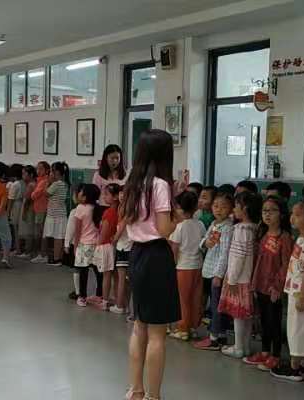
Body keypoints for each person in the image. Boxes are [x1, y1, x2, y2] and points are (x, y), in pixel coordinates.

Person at [122, 129, 179, 400]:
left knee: (139, 327)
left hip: (136, 254)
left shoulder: (132, 183)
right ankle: (153, 396)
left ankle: (136, 390)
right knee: (157, 334)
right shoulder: (160, 185)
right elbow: (165, 229)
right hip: (156, 256)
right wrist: (178, 216)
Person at [272, 200, 304, 381]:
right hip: (294, 291)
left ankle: (295, 366)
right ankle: (300, 363)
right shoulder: (301, 238)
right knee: (295, 328)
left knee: (299, 329)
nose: (293, 218)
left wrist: (302, 295)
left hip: (302, 293)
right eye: (292, 214)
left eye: (298, 215)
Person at [245, 196, 293, 371]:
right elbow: (259, 262)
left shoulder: (284, 237)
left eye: (272, 210)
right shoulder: (263, 234)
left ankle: (276, 355)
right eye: (265, 210)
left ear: (281, 214)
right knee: (264, 321)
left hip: (274, 288)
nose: (267, 214)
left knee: (274, 322)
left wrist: (278, 286)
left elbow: (286, 264)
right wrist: (254, 283)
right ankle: (265, 352)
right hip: (260, 285)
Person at [219, 191, 262, 359]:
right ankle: (245, 346)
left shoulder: (241, 229)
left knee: (238, 315)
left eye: (236, 206)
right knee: (246, 316)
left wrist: (231, 279)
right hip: (247, 278)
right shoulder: (253, 228)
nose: (234, 209)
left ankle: (238, 347)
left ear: (245, 209)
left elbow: (238, 257)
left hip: (238, 279)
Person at [193, 191, 234, 351]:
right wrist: (205, 243)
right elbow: (203, 241)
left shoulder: (228, 228)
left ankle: (214, 337)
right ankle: (221, 335)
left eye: (223, 207)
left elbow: (225, 253)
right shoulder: (214, 224)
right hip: (209, 269)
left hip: (217, 273)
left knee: (217, 306)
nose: (218, 210)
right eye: (216, 206)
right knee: (215, 304)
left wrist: (219, 274)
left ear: (231, 209)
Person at [168, 191, 205, 342]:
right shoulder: (200, 224)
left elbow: (174, 249)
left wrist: (171, 266)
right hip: (198, 266)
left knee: (182, 299)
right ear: (196, 207)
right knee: (195, 298)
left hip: (183, 267)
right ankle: (193, 327)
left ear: (179, 207)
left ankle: (183, 329)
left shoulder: (179, 226)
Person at [94, 183, 122, 310]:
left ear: (115, 197)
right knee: (114, 275)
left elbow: (104, 232)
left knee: (106, 275)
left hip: (106, 245)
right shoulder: (119, 211)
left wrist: (98, 244)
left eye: (106, 194)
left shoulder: (109, 212)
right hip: (113, 246)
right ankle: (115, 299)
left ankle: (104, 301)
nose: (104, 197)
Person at [44, 162, 70, 266]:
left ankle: (56, 259)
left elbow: (46, 193)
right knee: (59, 237)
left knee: (57, 237)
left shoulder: (56, 184)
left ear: (57, 172)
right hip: (61, 214)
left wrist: (48, 182)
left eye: (52, 171)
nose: (50, 173)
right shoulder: (64, 183)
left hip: (55, 215)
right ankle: (59, 258)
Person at [110, 189, 132, 314]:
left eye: (125, 193)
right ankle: (127, 305)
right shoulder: (128, 210)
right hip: (129, 248)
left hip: (123, 248)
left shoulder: (126, 212)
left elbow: (119, 233)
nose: (122, 195)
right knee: (127, 279)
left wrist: (113, 240)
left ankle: (119, 305)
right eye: (120, 193)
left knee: (121, 279)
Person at [30, 161, 51, 263]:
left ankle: (43, 254)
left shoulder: (43, 181)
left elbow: (33, 195)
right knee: (41, 232)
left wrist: (33, 191)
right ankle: (41, 254)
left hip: (42, 210)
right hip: (39, 209)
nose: (38, 171)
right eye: (37, 168)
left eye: (41, 169)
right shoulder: (40, 180)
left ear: (47, 170)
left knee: (41, 233)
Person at [18, 165, 38, 259]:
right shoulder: (33, 183)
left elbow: (27, 200)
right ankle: (29, 251)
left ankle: (28, 252)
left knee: (28, 231)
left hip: (29, 209)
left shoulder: (31, 185)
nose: (23, 176)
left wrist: (24, 213)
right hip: (31, 209)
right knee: (30, 230)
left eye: (24, 173)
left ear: (31, 174)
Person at [7, 164, 25, 255]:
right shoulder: (24, 182)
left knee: (16, 229)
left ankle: (17, 249)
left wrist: (8, 212)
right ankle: (21, 248)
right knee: (22, 228)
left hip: (16, 206)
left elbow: (11, 199)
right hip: (23, 204)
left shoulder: (15, 184)